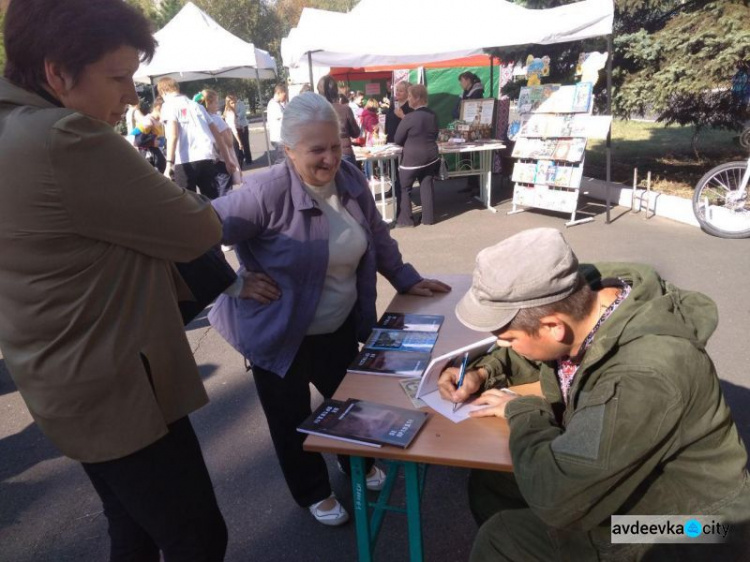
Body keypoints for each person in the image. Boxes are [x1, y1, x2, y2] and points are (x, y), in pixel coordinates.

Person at [0, 1, 232, 559]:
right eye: (119, 78)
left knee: (132, 526)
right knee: (195, 536)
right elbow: (198, 228)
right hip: (121, 390)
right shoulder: (66, 137)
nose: (131, 96)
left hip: (62, 379)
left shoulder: (11, 126)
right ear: (57, 72)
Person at [207, 92, 451, 527]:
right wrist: (232, 282)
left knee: (350, 405)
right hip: (279, 335)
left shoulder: (352, 179)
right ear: (288, 151)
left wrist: (407, 279)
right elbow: (192, 232)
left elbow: (377, 238)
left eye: (335, 146)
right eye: (316, 149)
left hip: (337, 325)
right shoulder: (263, 193)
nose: (330, 158)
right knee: (291, 419)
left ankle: (352, 463)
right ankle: (312, 491)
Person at [438, 228, 750, 562]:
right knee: (493, 486)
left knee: (504, 538)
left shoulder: (642, 379)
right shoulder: (590, 297)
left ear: (553, 327)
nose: (501, 344)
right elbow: (538, 349)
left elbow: (557, 498)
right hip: (653, 491)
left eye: (508, 338)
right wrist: (484, 371)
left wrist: (525, 411)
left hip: (691, 527)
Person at [158, 77, 235, 199]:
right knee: (212, 199)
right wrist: (227, 159)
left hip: (184, 160)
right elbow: (217, 134)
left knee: (187, 202)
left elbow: (172, 135)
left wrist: (169, 165)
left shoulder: (168, 106)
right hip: (206, 157)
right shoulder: (196, 106)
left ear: (163, 92)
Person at [393, 84, 440, 227]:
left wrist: (403, 118)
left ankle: (406, 220)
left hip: (412, 159)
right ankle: (428, 218)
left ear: (417, 98)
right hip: (431, 156)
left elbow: (397, 139)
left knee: (405, 187)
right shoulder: (433, 115)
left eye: (410, 97)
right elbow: (435, 133)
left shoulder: (410, 117)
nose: (408, 100)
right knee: (426, 184)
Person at [195, 89, 242, 197]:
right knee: (225, 190)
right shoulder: (216, 119)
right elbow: (229, 142)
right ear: (209, 103)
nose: (217, 105)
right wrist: (229, 131)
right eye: (216, 102)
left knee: (212, 190)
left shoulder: (200, 120)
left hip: (207, 159)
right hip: (222, 159)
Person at [317, 75, 360, 166]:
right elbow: (356, 133)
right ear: (336, 91)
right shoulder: (345, 109)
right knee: (348, 180)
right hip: (344, 152)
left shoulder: (316, 111)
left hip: (323, 155)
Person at [454, 71, 484, 195]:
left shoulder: (476, 92)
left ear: (467, 80)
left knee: (474, 156)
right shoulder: (466, 93)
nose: (461, 84)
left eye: (461, 81)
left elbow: (468, 110)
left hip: (474, 129)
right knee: (466, 156)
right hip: (464, 127)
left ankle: (478, 185)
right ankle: (471, 183)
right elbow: (457, 109)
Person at [135, 96, 166, 172]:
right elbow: (137, 139)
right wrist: (154, 141)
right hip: (151, 159)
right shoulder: (147, 120)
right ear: (158, 107)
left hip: (159, 158)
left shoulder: (160, 121)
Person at [266, 83, 287, 164]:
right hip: (278, 137)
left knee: (283, 159)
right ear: (279, 93)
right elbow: (284, 118)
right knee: (281, 160)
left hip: (280, 137)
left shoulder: (278, 104)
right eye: (284, 95)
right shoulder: (274, 105)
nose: (285, 98)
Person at [223, 94, 245, 167]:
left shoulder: (230, 111)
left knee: (239, 156)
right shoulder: (230, 112)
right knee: (238, 157)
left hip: (233, 133)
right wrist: (239, 142)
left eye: (235, 102)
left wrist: (240, 126)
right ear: (228, 103)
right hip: (233, 135)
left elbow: (234, 124)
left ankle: (238, 173)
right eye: (232, 103)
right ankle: (238, 175)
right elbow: (233, 128)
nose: (234, 104)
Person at [234, 94, 253, 165]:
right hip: (236, 126)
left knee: (245, 143)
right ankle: (240, 159)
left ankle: (248, 159)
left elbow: (242, 113)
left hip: (243, 125)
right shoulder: (231, 104)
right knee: (237, 144)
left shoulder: (240, 103)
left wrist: (236, 117)